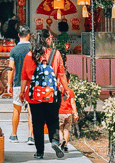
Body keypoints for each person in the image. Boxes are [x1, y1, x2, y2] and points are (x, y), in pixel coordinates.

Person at [20, 29, 69, 160]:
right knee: (52, 119)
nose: (52, 39)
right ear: (46, 39)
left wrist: (21, 92)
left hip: (34, 94)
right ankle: (54, 141)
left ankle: (40, 152)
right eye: (51, 37)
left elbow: (24, 76)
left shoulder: (29, 55)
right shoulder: (55, 54)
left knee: (37, 123)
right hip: (52, 94)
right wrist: (66, 89)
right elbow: (61, 74)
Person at [7, 25, 33, 144]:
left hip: (18, 83)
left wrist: (9, 85)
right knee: (31, 111)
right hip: (31, 83)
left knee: (16, 109)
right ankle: (30, 136)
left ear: (18, 35)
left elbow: (11, 68)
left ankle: (14, 135)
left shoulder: (14, 50)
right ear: (29, 35)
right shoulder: (33, 48)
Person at [57, 75, 79, 153]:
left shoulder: (58, 91)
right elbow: (72, 102)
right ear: (68, 80)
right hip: (69, 113)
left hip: (60, 113)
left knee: (60, 129)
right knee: (66, 130)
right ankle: (65, 145)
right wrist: (75, 113)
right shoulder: (70, 91)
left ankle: (61, 141)